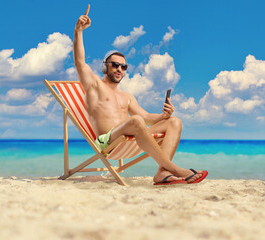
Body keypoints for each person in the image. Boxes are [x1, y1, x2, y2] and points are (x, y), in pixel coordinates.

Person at [73, 5, 208, 185]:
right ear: (106, 66)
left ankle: (162, 172)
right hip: (110, 143)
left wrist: (164, 115)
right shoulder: (94, 86)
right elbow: (80, 62)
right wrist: (78, 31)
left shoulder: (126, 96)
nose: (120, 69)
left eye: (124, 67)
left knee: (174, 122)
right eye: (115, 65)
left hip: (132, 138)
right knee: (136, 121)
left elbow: (146, 117)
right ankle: (175, 169)